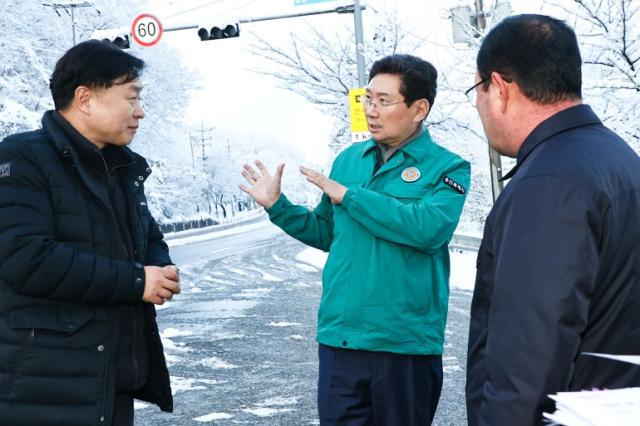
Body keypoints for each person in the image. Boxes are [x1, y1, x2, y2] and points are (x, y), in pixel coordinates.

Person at [241, 54, 470, 425]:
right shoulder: (349, 160)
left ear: (419, 108)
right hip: (341, 337)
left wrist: (350, 196)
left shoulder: (448, 167)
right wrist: (278, 207)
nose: (371, 110)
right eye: (368, 98)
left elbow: (429, 229)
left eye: (384, 101)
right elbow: (327, 232)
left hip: (404, 342)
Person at [465, 14, 640, 425]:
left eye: (476, 90)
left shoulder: (547, 184)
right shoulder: (618, 159)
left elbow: (529, 364)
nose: (478, 106)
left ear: (501, 88)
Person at [0, 40, 181, 425]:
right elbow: (27, 259)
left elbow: (148, 237)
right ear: (85, 98)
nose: (140, 112)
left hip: (107, 379)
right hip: (44, 387)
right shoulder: (21, 158)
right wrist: (136, 281)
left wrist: (159, 269)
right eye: (131, 98)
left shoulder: (121, 168)